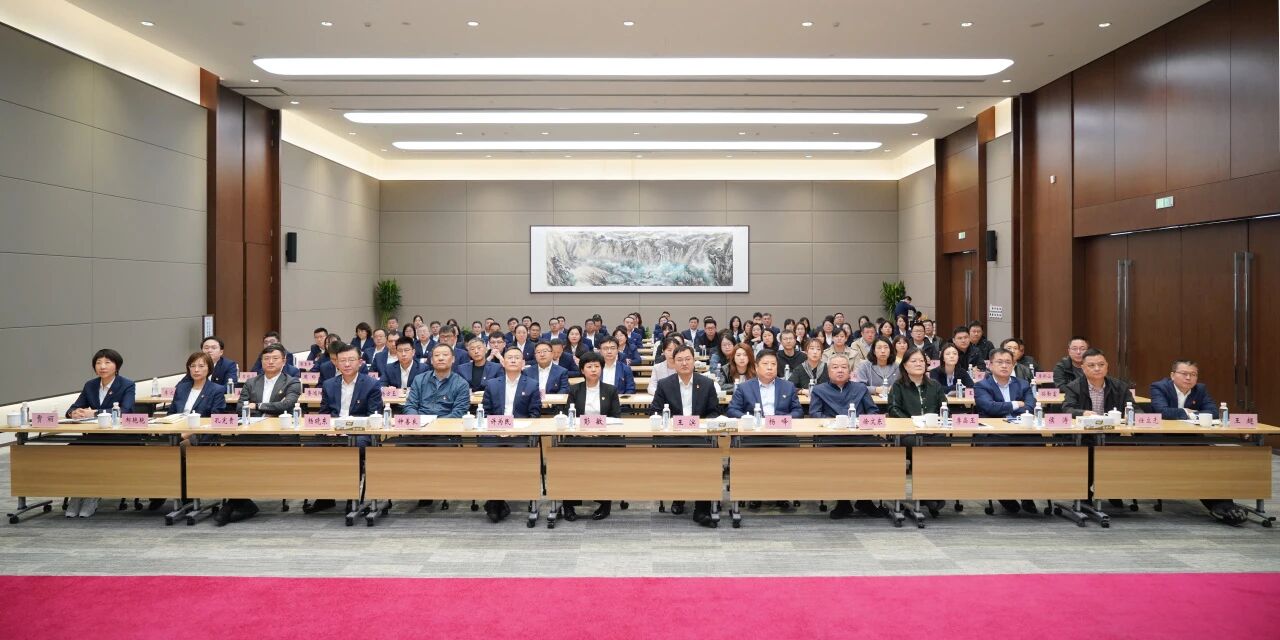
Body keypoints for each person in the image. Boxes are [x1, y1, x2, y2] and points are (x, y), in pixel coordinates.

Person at [1146, 360, 1246, 524]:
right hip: (1163, 439)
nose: (1189, 378)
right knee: (1197, 462)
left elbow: (1213, 412)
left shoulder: (1200, 389)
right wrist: (1189, 413)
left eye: (1193, 374)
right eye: (1184, 374)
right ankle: (1221, 506)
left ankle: (1225, 504)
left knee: (1211, 459)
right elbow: (1162, 411)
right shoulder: (1159, 387)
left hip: (1191, 438)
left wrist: (1186, 414)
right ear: (1172, 375)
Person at [222, 344, 302, 525]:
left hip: (279, 435)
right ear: (261, 361)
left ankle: (233, 504)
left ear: (284, 361)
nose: (270, 361)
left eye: (275, 358)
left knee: (251, 453)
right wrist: (266, 410)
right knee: (227, 452)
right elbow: (240, 407)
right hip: (251, 433)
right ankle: (239, 501)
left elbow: (286, 405)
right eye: (266, 358)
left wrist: (257, 406)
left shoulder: (292, 382)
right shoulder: (251, 382)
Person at [307, 343, 383, 514]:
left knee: (352, 447)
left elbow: (373, 416)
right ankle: (325, 496)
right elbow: (324, 414)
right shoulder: (328, 384)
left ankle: (351, 497)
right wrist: (329, 429)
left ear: (360, 362)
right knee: (312, 446)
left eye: (351, 360)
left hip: (360, 433)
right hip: (332, 432)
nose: (347, 364)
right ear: (336, 363)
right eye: (342, 361)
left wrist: (347, 428)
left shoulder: (371, 384)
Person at [650, 345, 721, 526]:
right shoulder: (665, 384)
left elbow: (714, 412)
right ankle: (678, 498)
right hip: (674, 436)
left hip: (700, 436)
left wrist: (701, 425)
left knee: (705, 460)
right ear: (673, 363)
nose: (684, 363)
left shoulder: (706, 384)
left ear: (694, 361)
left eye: (688, 359)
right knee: (676, 458)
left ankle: (702, 509)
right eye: (679, 360)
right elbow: (655, 411)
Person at [806, 354, 880, 519]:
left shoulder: (860, 388)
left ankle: (865, 500)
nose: (840, 370)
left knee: (876, 453)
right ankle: (843, 501)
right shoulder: (819, 390)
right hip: (832, 437)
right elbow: (815, 414)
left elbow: (873, 412)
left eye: (844, 367)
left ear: (850, 371)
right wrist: (833, 423)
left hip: (860, 436)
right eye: (835, 367)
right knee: (836, 456)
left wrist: (860, 422)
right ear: (828, 371)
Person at [974, 348, 1040, 515]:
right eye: (999, 362)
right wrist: (1016, 404)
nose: (1004, 366)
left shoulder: (1023, 384)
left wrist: (1003, 407)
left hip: (1022, 431)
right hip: (994, 433)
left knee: (1035, 447)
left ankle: (1028, 494)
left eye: (1008, 362)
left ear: (1014, 365)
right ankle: (1004, 493)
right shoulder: (981, 386)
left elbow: (1030, 407)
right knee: (1000, 449)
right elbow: (989, 407)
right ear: (990, 365)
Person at [480, 346, 543, 522]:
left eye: (517, 357)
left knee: (516, 458)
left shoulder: (531, 384)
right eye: (509, 357)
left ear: (523, 363)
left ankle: (496, 502)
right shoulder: (492, 384)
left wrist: (515, 430)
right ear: (503, 362)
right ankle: (496, 500)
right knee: (489, 457)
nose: (513, 360)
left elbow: (534, 414)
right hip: (495, 432)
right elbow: (485, 413)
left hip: (520, 434)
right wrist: (499, 430)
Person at [560, 351, 624, 522]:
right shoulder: (575, 389)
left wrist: (600, 428)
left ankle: (605, 503)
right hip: (579, 436)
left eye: (597, 366)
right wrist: (583, 429)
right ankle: (568, 504)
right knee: (570, 464)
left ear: (602, 369)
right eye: (589, 366)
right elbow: (569, 415)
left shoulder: (610, 390)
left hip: (604, 437)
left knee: (603, 464)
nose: (594, 370)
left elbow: (616, 417)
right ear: (582, 370)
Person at [886, 348, 948, 516]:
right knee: (920, 448)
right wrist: (912, 424)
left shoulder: (934, 385)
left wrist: (934, 422)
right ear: (905, 366)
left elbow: (944, 407)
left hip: (933, 431)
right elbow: (893, 409)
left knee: (941, 445)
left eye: (921, 361)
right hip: (909, 434)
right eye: (913, 361)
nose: (919, 364)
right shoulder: (898, 386)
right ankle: (928, 495)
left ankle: (931, 493)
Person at [726, 350, 802, 420]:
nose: (770, 368)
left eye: (773, 364)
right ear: (756, 367)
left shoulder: (788, 387)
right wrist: (748, 418)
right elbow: (732, 410)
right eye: (765, 364)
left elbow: (798, 411)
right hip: (754, 428)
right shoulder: (744, 387)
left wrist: (782, 420)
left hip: (780, 427)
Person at [404, 343, 473, 419]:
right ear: (431, 360)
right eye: (436, 355)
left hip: (448, 424)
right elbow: (410, 406)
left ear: (453, 359)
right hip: (421, 423)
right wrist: (417, 421)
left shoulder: (461, 384)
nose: (440, 358)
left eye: (445, 355)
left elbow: (459, 412)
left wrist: (435, 423)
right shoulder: (419, 379)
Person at [1060, 349, 1135, 418]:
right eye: (1091, 365)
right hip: (1085, 427)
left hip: (1113, 428)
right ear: (1083, 368)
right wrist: (1083, 413)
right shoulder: (1073, 387)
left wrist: (1131, 416)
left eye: (1101, 364)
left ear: (1107, 366)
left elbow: (1134, 409)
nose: (1097, 369)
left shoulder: (1120, 386)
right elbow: (1067, 409)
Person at [171, 351, 228, 418]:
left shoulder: (217, 390)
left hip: (201, 424)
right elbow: (171, 413)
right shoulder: (181, 388)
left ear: (209, 368)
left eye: (201, 366)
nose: (196, 370)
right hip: (178, 424)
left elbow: (216, 417)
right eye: (193, 366)